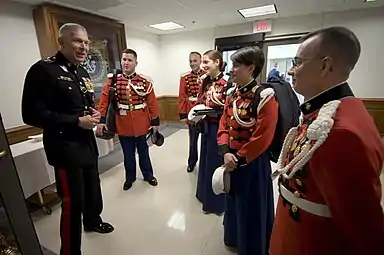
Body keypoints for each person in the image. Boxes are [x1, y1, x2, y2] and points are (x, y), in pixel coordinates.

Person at [270, 26, 384, 255]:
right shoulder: (332, 110)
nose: (291, 71)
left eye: (298, 62)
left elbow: (363, 229)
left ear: (325, 66)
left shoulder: (341, 131)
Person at [21, 23, 114, 255]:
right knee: (73, 202)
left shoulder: (81, 71)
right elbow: (30, 114)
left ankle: (92, 221)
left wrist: (92, 113)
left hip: (86, 144)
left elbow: (83, 104)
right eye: (76, 41)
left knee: (93, 190)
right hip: (64, 148)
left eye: (85, 42)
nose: (83, 47)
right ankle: (70, 251)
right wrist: (74, 121)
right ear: (61, 42)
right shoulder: (43, 70)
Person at [217, 46, 276, 255]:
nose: (231, 70)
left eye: (236, 65)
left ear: (251, 68)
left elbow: (264, 135)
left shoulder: (265, 95)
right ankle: (234, 237)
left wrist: (239, 159)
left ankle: (252, 246)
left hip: (252, 161)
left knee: (251, 205)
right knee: (233, 200)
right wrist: (225, 151)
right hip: (230, 157)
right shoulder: (232, 93)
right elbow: (224, 123)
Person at [97, 48, 160, 191]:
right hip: (123, 124)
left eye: (129, 60)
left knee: (144, 152)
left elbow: (152, 102)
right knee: (128, 154)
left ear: (135, 63)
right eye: (124, 59)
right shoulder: (114, 80)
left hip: (141, 123)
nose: (126, 63)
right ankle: (129, 178)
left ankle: (148, 175)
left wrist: (155, 122)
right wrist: (101, 120)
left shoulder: (144, 81)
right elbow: (104, 100)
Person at [193, 50, 227, 215]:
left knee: (215, 163)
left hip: (219, 128)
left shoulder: (227, 83)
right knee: (205, 161)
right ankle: (204, 195)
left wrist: (210, 111)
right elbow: (201, 99)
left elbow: (228, 110)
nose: (203, 65)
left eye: (206, 62)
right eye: (203, 62)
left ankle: (215, 204)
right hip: (205, 126)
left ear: (217, 62)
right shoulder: (205, 81)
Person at [178, 52, 205, 173]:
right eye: (190, 61)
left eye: (195, 61)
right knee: (193, 140)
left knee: (206, 140)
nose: (192, 64)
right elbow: (182, 96)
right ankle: (192, 162)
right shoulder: (185, 77)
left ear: (200, 61)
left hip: (205, 112)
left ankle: (205, 163)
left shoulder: (207, 75)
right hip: (192, 112)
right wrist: (183, 114)